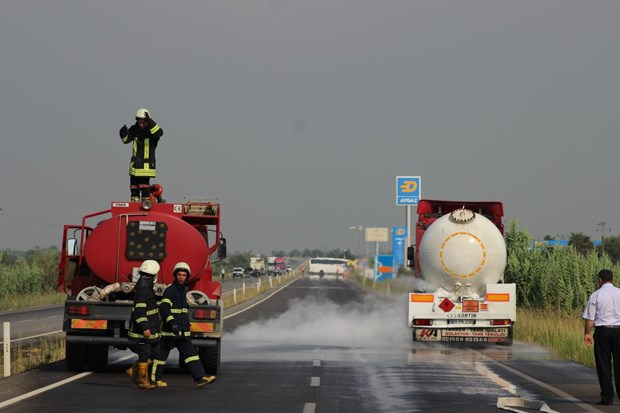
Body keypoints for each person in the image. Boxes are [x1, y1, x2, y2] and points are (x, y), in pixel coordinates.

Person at [152, 262, 216, 388]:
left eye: (184, 275)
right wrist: (172, 324)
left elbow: (182, 311)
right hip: (169, 332)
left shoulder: (183, 291)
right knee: (160, 357)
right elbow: (164, 308)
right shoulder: (170, 290)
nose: (181, 277)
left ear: (187, 277)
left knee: (192, 355)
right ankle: (155, 380)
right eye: (179, 274)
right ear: (175, 276)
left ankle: (200, 378)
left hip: (182, 332)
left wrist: (186, 325)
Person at [583, 269, 620, 405]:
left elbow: (590, 318)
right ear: (612, 279)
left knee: (604, 366)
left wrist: (587, 334)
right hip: (619, 331)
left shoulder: (596, 295)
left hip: (602, 332)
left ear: (600, 280)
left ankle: (607, 397)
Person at [126, 259, 162, 389]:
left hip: (151, 328)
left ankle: (134, 370)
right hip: (144, 331)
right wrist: (145, 328)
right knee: (145, 353)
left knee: (156, 351)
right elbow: (140, 312)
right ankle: (143, 381)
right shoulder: (143, 290)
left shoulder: (146, 288)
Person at [119, 108, 164, 202]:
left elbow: (159, 133)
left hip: (146, 166)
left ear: (147, 121)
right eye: (139, 122)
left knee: (144, 187)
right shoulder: (134, 129)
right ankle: (134, 203)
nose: (141, 124)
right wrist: (123, 134)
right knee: (133, 187)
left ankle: (145, 203)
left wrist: (150, 121)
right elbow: (126, 140)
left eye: (143, 122)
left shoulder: (152, 133)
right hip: (135, 165)